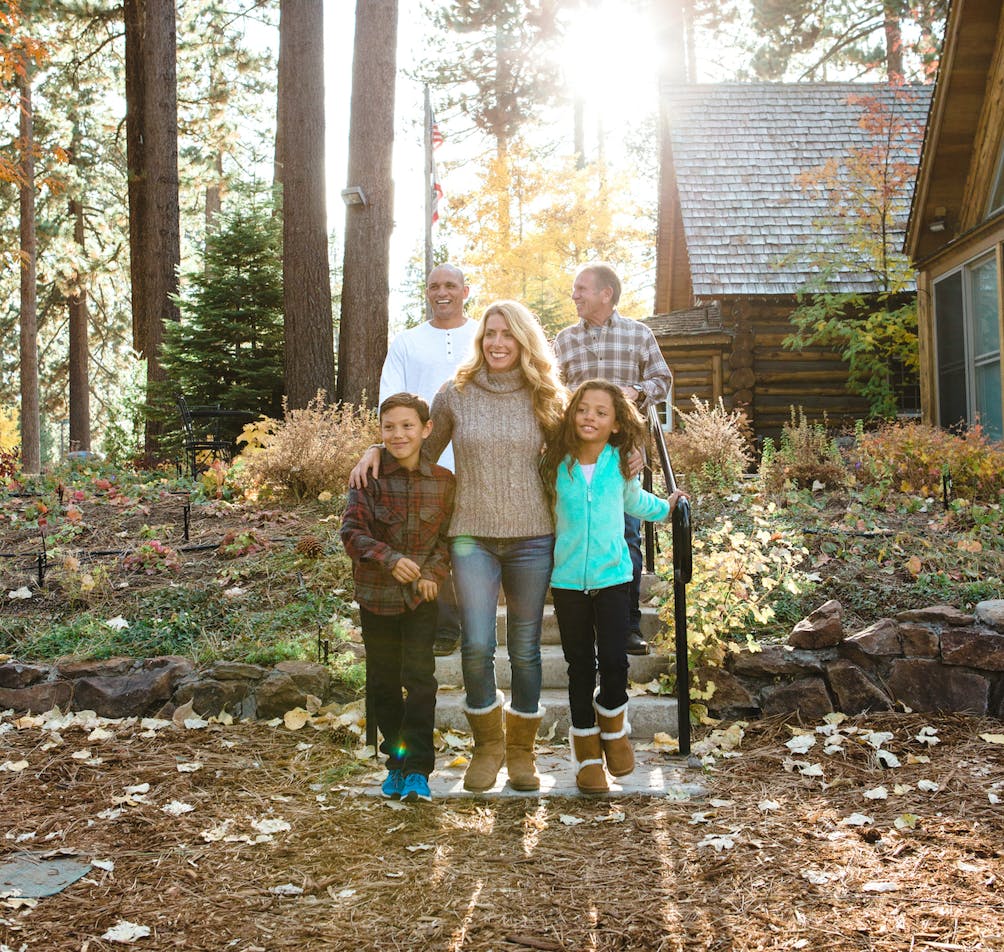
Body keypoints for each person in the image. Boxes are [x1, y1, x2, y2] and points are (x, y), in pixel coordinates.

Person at [352, 300, 565, 793]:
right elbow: (416, 448)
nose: (497, 342)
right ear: (480, 338)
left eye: (507, 334)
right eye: (490, 333)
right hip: (470, 535)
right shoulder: (457, 393)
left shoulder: (545, 395)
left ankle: (521, 753)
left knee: (527, 650)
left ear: (524, 341)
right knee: (475, 644)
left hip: (532, 535)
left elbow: (579, 446)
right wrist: (373, 448)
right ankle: (487, 748)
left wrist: (631, 445)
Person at [541, 380, 685, 793]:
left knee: (615, 662)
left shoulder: (619, 464)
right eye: (583, 409)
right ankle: (586, 754)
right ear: (571, 415)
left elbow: (636, 503)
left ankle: (614, 730)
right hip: (568, 582)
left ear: (617, 424)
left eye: (601, 412)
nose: (590, 417)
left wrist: (668, 507)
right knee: (580, 667)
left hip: (615, 579)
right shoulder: (555, 463)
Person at [553, 262, 673, 656]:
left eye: (581, 288)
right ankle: (580, 618)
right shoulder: (565, 341)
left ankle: (626, 625)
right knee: (576, 531)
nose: (575, 295)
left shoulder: (638, 334)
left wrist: (634, 392)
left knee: (628, 533)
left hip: (623, 450)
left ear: (606, 293)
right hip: (575, 455)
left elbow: (663, 379)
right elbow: (552, 394)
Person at [340, 393, 455, 804]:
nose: (398, 434)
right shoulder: (366, 479)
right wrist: (390, 559)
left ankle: (419, 770)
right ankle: (396, 760)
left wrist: (434, 574)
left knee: (420, 682)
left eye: (408, 426)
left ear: (426, 430)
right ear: (381, 431)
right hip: (377, 598)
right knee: (384, 683)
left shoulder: (443, 482)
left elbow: (446, 541)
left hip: (419, 602)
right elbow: (351, 533)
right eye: (389, 426)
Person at [379, 263, 478, 658]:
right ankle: (444, 625)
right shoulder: (407, 342)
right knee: (433, 541)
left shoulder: (482, 335)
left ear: (465, 291)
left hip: (476, 457)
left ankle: (479, 620)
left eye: (450, 286)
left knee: (467, 543)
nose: (442, 292)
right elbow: (391, 398)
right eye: (434, 286)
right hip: (425, 460)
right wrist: (389, 449)